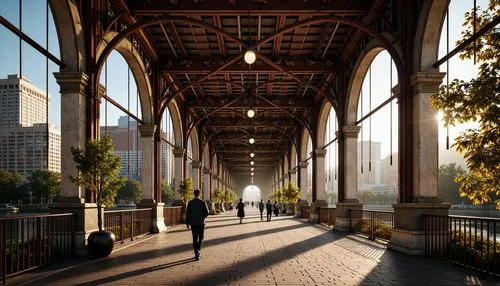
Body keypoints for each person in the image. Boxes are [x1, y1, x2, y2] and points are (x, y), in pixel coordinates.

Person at [186, 189, 209, 260]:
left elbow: (188, 213)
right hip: (201, 223)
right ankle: (198, 250)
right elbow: (207, 212)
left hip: (193, 223)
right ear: (199, 194)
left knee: (194, 238)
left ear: (194, 194)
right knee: (201, 237)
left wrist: (187, 223)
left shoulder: (190, 202)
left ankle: (196, 253)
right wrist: (202, 217)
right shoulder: (203, 202)